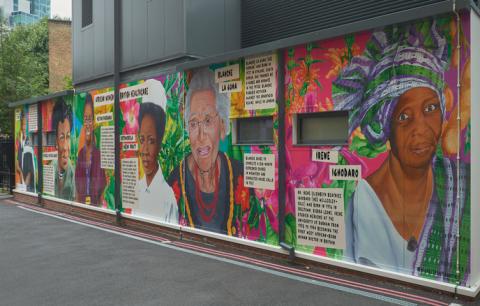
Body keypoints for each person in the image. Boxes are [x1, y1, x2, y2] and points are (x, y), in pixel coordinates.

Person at [333, 19, 469, 282]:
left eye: (430, 109)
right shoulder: (364, 205)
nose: (421, 128)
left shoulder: (463, 182)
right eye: (404, 116)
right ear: (385, 127)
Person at [168, 68, 246, 235]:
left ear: (223, 127)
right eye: (194, 123)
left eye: (208, 121)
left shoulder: (240, 176)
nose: (200, 136)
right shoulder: (174, 182)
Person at [135, 79, 178, 223]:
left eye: (151, 141)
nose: (145, 151)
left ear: (160, 143)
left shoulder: (167, 197)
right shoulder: (137, 189)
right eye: (142, 140)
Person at [75, 93, 106, 206]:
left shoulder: (99, 155)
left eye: (90, 119)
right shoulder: (80, 155)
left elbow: (102, 193)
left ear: (94, 123)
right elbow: (77, 192)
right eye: (85, 119)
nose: (88, 124)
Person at [52, 98, 75, 201]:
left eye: (68, 137)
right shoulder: (51, 168)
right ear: (56, 141)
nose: (66, 147)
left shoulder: (74, 175)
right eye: (62, 138)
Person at [15, 109, 35, 192]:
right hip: (22, 180)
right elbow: (17, 161)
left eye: (25, 125)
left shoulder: (29, 141)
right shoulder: (20, 141)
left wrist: (25, 183)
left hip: (28, 185)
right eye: (22, 124)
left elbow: (31, 167)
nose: (23, 127)